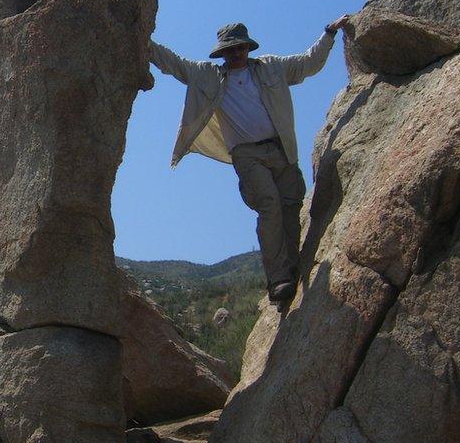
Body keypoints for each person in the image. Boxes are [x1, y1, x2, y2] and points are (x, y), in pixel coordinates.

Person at [149, 16, 350, 302]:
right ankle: (279, 278)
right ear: (221, 53)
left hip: (281, 150)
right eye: (229, 50)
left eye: (239, 48)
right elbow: (172, 62)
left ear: (248, 47)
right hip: (246, 154)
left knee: (290, 207)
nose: (235, 53)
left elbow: (308, 63)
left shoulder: (272, 67)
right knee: (268, 204)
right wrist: (144, 39)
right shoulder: (208, 75)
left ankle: (292, 269)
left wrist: (329, 34)